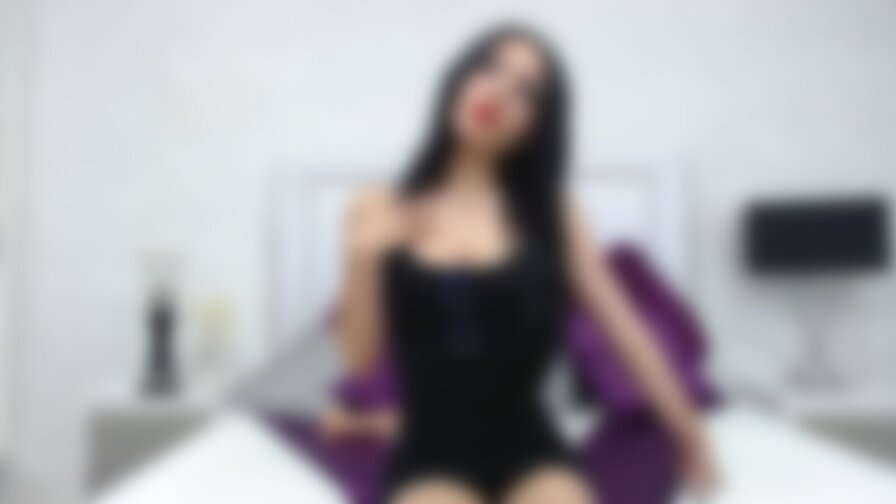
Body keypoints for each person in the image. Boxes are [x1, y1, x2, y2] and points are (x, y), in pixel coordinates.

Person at [335, 24, 718, 504]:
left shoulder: (553, 213)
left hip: (530, 451)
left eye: (524, 92)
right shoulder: (377, 205)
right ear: (460, 78)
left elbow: (627, 331)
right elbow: (359, 357)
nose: (498, 91)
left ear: (537, 124)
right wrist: (362, 258)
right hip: (430, 457)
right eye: (489, 69)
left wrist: (689, 431)